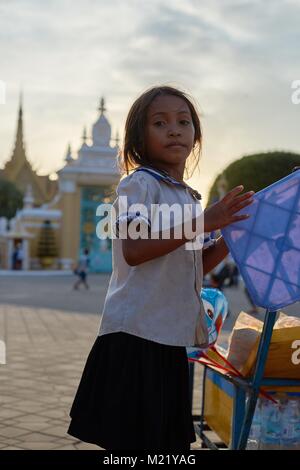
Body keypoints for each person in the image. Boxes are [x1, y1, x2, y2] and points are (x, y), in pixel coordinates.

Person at [67, 85, 255, 450]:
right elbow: (135, 250)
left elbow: (194, 264)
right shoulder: (138, 185)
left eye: (184, 121)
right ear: (140, 136)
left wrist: (229, 235)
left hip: (171, 339)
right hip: (134, 338)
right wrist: (205, 222)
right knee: (134, 447)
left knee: (167, 447)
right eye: (160, 122)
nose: (174, 129)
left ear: (195, 135)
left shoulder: (188, 196)